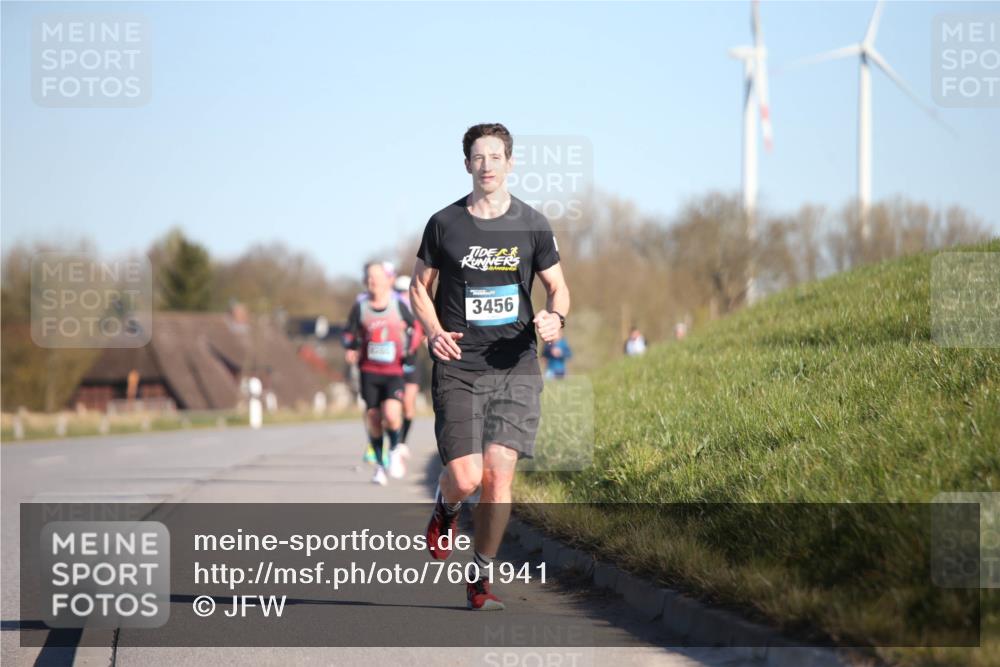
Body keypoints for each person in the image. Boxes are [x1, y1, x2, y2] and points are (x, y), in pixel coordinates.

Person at [409, 123, 570, 611]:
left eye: (496, 157)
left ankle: (479, 579)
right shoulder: (444, 224)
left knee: (500, 474)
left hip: (516, 363)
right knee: (466, 476)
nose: (487, 166)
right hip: (460, 365)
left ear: (510, 163)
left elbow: (558, 287)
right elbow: (419, 288)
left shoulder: (534, 224)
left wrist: (554, 317)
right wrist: (434, 332)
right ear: (466, 165)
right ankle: (446, 508)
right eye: (478, 157)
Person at [343, 261, 421, 486]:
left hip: (393, 371)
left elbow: (415, 327)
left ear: (387, 281)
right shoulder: (361, 307)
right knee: (374, 419)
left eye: (376, 278)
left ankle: (395, 448)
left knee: (392, 414)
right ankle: (379, 466)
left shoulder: (398, 306)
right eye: (368, 278)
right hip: (368, 371)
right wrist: (350, 348)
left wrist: (410, 350)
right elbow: (348, 333)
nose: (372, 282)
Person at [390, 273, 424, 478]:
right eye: (399, 291)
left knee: (408, 405)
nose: (403, 295)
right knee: (391, 406)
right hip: (392, 364)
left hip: (411, 362)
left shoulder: (416, 311)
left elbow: (423, 333)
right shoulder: (391, 310)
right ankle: (392, 442)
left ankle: (402, 442)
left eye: (405, 291)